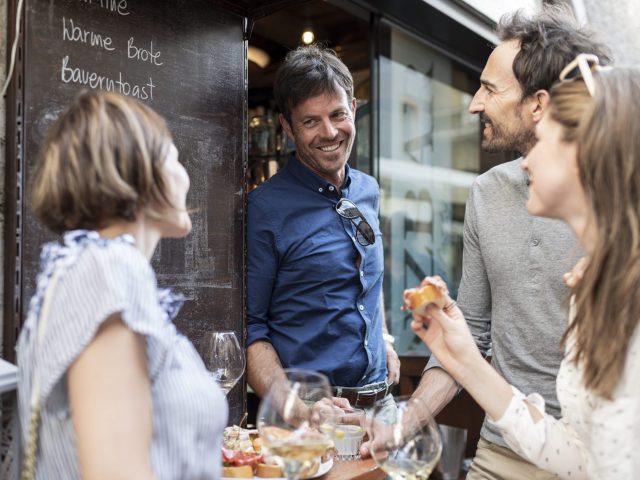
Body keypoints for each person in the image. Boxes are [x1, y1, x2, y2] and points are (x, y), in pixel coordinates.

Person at [361, 5, 612, 478]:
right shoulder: (487, 192)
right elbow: (472, 330)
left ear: (539, 105)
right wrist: (403, 422)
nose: (475, 103)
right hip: (506, 443)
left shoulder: (620, 235)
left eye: (490, 88)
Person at [411, 59, 640, 479]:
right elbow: (577, 456)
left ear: (586, 154)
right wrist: (466, 360)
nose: (527, 162)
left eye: (545, 141)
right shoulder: (596, 291)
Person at [17, 91, 227, 479]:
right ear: (138, 169)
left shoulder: (79, 267)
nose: (185, 175)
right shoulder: (109, 270)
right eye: (174, 157)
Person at [246, 45, 399, 410]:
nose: (329, 132)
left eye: (338, 114)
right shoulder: (264, 209)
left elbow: (366, 276)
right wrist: (296, 409)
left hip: (383, 407)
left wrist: (385, 339)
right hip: (314, 415)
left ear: (354, 110)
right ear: (287, 127)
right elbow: (252, 329)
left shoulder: (368, 190)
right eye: (311, 121)